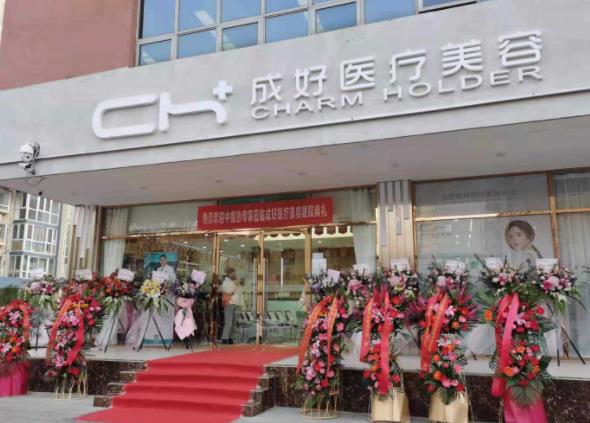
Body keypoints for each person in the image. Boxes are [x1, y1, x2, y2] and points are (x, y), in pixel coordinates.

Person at [220, 268, 243, 345]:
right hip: (229, 303)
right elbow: (228, 291)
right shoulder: (226, 282)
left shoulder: (236, 282)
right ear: (229, 274)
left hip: (236, 303)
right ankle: (224, 338)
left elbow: (239, 293)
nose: (234, 274)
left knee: (234, 322)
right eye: (232, 273)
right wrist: (235, 284)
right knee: (228, 322)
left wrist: (241, 303)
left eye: (234, 273)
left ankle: (230, 338)